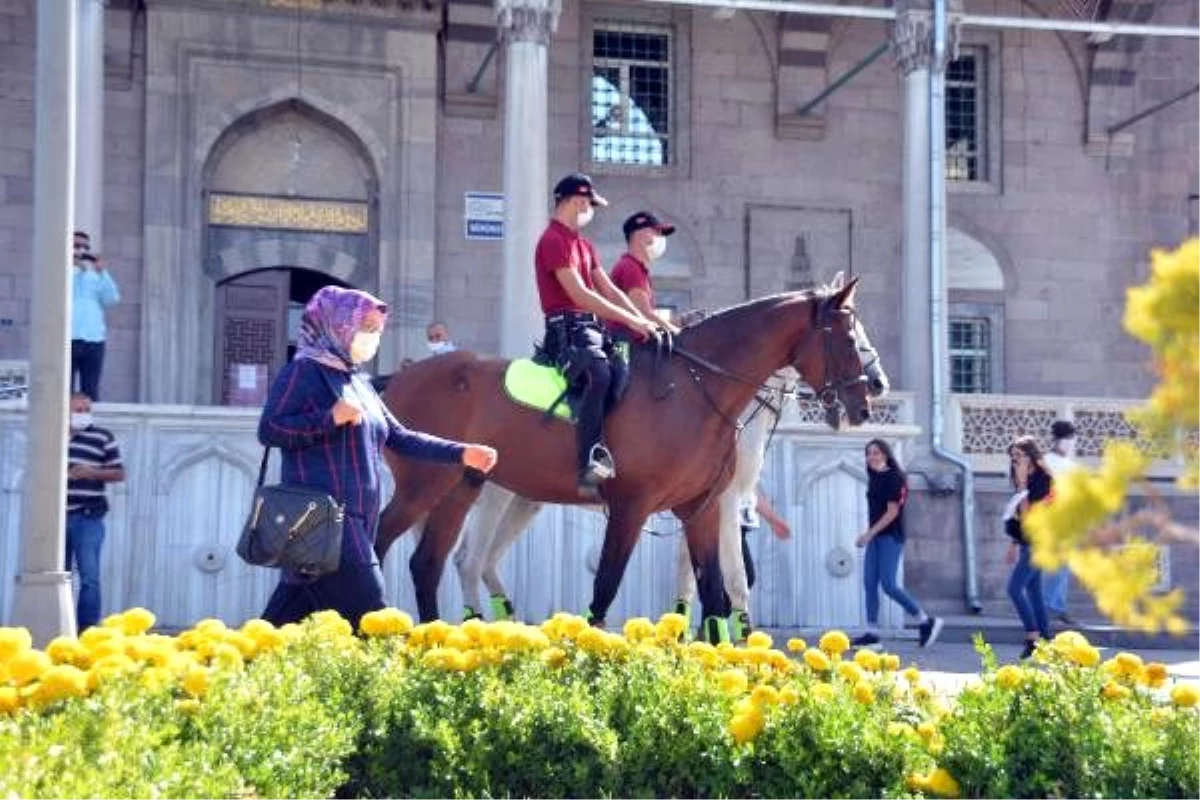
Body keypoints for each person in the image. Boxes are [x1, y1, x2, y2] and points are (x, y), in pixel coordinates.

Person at [257, 286, 498, 629]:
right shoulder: (304, 373)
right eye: (365, 327)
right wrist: (328, 420)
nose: (372, 337)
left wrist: (462, 452)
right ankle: (397, 683)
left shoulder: (357, 381)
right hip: (324, 518)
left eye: (376, 330)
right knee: (376, 619)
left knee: (282, 625)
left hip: (358, 517)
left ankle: (233, 675)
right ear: (338, 324)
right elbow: (271, 429)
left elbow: (400, 437)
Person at [534, 173, 657, 495]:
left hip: (591, 328)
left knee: (624, 373)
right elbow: (580, 296)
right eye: (590, 204)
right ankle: (587, 463)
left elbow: (610, 291)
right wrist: (633, 321)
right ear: (576, 201)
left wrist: (641, 320)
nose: (591, 210)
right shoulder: (552, 240)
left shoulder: (583, 245)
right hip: (566, 329)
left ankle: (613, 446)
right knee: (599, 375)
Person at [851, 439, 943, 648]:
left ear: (885, 454)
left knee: (889, 585)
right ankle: (872, 633)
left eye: (876, 452)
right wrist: (871, 535)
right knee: (869, 583)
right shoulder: (875, 476)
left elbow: (892, 512)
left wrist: (868, 534)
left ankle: (925, 620)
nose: (871, 457)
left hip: (891, 537)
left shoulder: (894, 478)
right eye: (868, 453)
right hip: (876, 537)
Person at [65, 392, 125, 631]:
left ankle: (86, 629)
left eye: (86, 410)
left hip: (88, 516)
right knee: (58, 576)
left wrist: (91, 472)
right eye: (77, 410)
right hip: (55, 519)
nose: (82, 415)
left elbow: (119, 473)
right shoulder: (52, 436)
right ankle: (61, 624)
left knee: (89, 577)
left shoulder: (101, 437)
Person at [1004, 436, 1055, 659]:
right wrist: (1014, 543)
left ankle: (1032, 635)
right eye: (1013, 456)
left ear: (1032, 456)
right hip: (1027, 541)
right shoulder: (1020, 478)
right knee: (1034, 592)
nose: (1016, 461)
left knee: (1014, 589)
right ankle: (1046, 639)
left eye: (1020, 455)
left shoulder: (1044, 479)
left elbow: (1029, 516)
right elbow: (1018, 515)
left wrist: (1023, 485)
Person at [607, 211, 681, 342]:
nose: (661, 239)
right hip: (626, 345)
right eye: (657, 233)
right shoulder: (630, 267)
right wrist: (676, 332)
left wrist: (678, 322)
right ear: (640, 236)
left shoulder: (635, 267)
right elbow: (643, 312)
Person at [71, 246, 120, 401]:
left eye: (84, 248)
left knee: (91, 388)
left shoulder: (97, 277)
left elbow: (112, 299)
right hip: (68, 338)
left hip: (94, 339)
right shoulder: (62, 273)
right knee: (63, 387)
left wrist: (102, 271)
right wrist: (75, 266)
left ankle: (88, 423)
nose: (80, 251)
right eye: (76, 247)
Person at [1041, 419, 1078, 625]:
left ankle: (1058, 606)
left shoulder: (1071, 466)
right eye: (1065, 438)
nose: (1069, 442)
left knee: (1062, 566)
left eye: (1071, 438)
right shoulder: (1045, 462)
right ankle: (1049, 607)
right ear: (1055, 439)